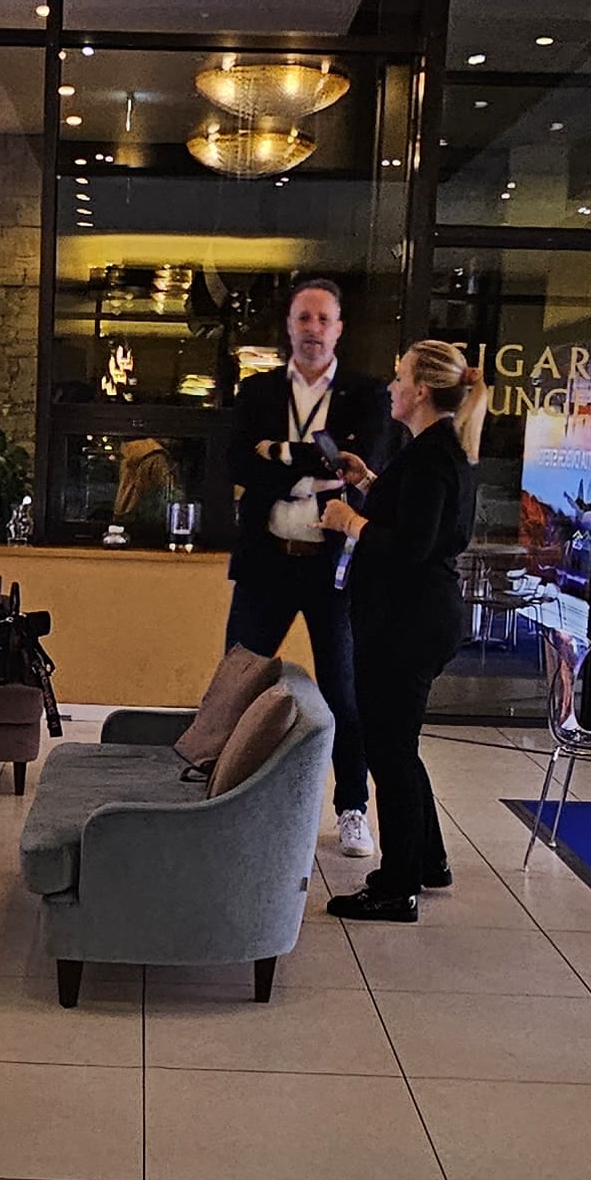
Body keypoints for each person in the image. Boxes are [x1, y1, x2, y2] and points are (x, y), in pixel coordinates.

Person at [177, 274, 402, 852]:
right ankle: (217, 793)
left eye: (324, 319)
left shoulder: (367, 393)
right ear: (289, 326)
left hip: (334, 569)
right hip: (266, 565)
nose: (313, 331)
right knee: (238, 682)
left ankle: (353, 806)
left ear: (340, 329)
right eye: (304, 318)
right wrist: (313, 463)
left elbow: (364, 461)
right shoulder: (256, 393)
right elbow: (235, 464)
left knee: (343, 692)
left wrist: (276, 454)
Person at [316, 339, 486, 924]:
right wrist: (370, 483)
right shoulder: (431, 451)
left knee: (388, 752)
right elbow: (414, 518)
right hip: (413, 618)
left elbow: (411, 546)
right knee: (398, 745)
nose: (390, 387)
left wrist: (350, 520)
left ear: (421, 390)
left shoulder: (437, 454)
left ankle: (396, 885)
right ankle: (427, 860)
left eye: (399, 377)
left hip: (407, 623)